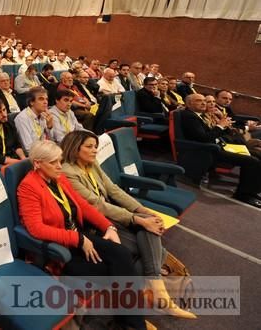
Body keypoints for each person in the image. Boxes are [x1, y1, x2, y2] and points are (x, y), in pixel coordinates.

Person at [60, 131, 196, 319]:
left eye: (95, 146)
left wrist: (142, 210)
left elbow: (113, 191)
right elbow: (97, 205)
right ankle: (152, 293)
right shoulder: (68, 171)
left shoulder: (92, 165)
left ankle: (154, 289)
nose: (95, 151)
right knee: (149, 250)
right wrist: (136, 219)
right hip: (95, 223)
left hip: (112, 215)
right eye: (89, 147)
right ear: (75, 149)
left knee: (150, 230)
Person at [17, 140, 147, 330]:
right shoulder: (28, 187)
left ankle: (128, 323)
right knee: (118, 271)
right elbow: (36, 229)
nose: (59, 166)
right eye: (53, 162)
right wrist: (77, 239)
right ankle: (132, 324)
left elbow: (84, 206)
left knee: (122, 255)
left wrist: (108, 227)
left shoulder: (59, 178)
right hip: (60, 249)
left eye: (60, 160)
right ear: (37, 163)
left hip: (79, 237)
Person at [181, 94, 261, 207]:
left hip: (219, 145)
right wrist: (220, 126)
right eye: (199, 101)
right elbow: (204, 138)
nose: (204, 103)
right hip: (209, 150)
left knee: (257, 156)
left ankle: (252, 191)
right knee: (252, 161)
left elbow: (212, 133)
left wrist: (223, 125)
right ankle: (243, 194)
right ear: (189, 104)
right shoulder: (189, 116)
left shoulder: (199, 115)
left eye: (204, 101)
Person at [15, 86, 54, 153]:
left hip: (44, 149)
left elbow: (51, 139)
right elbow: (28, 148)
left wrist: (49, 126)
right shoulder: (22, 118)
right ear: (31, 102)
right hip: (34, 155)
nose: (45, 102)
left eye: (46, 99)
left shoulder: (43, 115)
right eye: (41, 99)